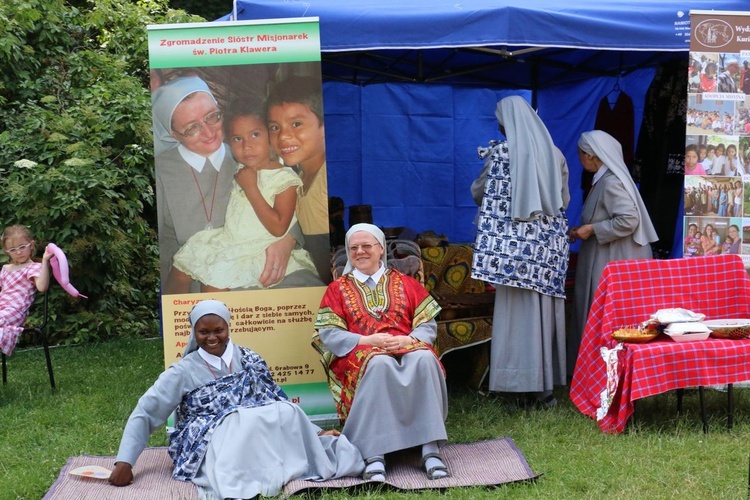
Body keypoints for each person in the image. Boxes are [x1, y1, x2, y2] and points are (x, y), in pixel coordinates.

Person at [109, 299, 364, 497]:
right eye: (203, 332)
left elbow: (275, 396)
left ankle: (276, 469)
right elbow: (146, 411)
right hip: (209, 440)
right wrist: (125, 462)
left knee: (287, 411)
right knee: (237, 421)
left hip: (258, 434)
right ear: (194, 332)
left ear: (228, 327)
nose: (211, 338)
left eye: (218, 330)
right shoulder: (182, 371)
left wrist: (314, 431)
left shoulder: (250, 359)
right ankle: (250, 479)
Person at [314, 224, 449, 482]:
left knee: (423, 358)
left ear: (380, 249)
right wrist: (368, 339)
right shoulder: (337, 289)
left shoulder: (406, 283)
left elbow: (427, 325)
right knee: (379, 364)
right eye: (354, 248)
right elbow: (329, 334)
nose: (360, 252)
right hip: (362, 350)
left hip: (407, 345)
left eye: (366, 246)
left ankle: (430, 450)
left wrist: (409, 341)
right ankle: (374, 454)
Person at [471, 95, 570, 401]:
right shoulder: (554, 153)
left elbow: (480, 193)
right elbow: (563, 200)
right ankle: (544, 388)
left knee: (514, 317)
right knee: (542, 315)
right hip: (547, 251)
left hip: (510, 252)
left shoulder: (501, 153)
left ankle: (513, 385)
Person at [165, 99, 320, 293]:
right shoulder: (241, 168)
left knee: (213, 284)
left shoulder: (284, 179)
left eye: (255, 134)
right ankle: (175, 319)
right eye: (238, 139)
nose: (247, 146)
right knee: (180, 268)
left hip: (257, 247)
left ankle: (211, 321)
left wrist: (251, 188)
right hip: (229, 241)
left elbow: (279, 227)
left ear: (270, 136)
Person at [569, 130, 658, 357]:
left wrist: (593, 229)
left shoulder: (610, 183)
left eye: (581, 154)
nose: (579, 159)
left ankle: (602, 365)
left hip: (612, 257)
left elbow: (628, 219)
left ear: (591, 156)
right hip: (607, 254)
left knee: (608, 316)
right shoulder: (604, 181)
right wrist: (583, 230)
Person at [152, 76, 236, 291]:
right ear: (174, 134)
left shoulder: (249, 152)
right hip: (183, 281)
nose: (209, 133)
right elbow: (159, 244)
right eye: (191, 128)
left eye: (213, 117)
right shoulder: (159, 171)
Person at [266, 76, 331, 283]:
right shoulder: (299, 180)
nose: (284, 136)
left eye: (296, 124)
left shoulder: (327, 181)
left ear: (324, 127)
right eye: (275, 127)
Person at [0, 225, 52, 356]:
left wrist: (45, 261)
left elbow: (42, 287)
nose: (18, 252)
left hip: (15, 311)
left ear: (31, 245)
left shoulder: (33, 267)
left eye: (22, 247)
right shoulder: (6, 268)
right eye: (13, 249)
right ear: (7, 251)